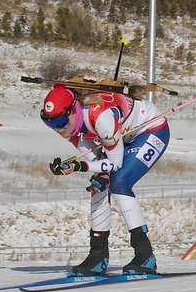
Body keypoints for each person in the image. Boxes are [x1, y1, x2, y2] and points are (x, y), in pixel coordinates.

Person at [41, 83, 169, 276]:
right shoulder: (70, 125)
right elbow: (97, 162)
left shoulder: (101, 118)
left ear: (74, 109)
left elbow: (114, 164)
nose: (57, 129)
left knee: (119, 183)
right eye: (49, 123)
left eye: (60, 122)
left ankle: (145, 255)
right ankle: (98, 256)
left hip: (151, 130)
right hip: (122, 136)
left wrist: (78, 166)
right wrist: (89, 170)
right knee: (99, 185)